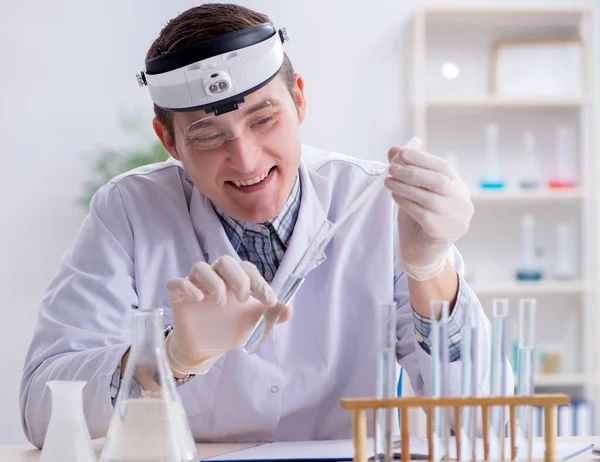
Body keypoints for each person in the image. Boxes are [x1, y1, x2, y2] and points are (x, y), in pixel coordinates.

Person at [20, 3, 513, 448]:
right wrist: (172, 356)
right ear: (168, 142)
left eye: (264, 119)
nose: (245, 159)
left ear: (298, 101)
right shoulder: (128, 211)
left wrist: (430, 271)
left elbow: (482, 423)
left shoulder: (378, 202)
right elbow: (44, 411)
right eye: (208, 135)